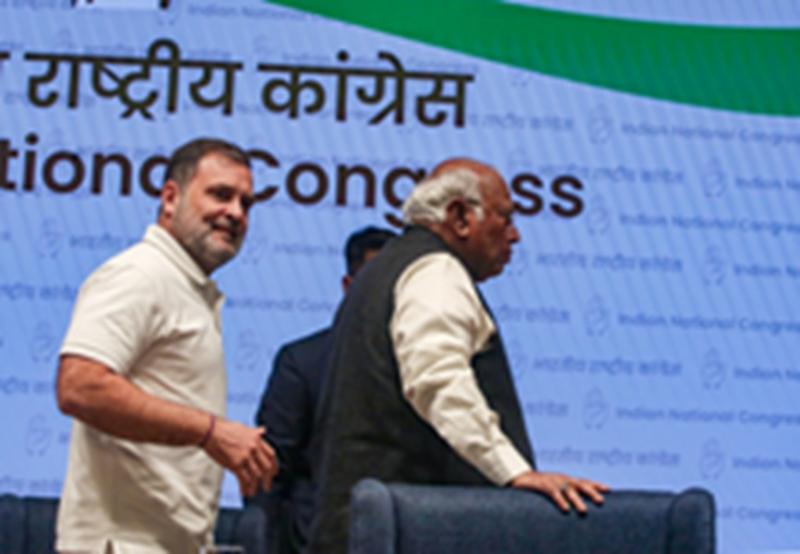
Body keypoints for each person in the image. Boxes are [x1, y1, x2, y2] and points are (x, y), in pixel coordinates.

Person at [308, 159, 610, 554]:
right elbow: (438, 381)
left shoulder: (385, 269)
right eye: (505, 218)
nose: (515, 235)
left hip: (364, 528)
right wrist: (514, 472)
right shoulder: (434, 270)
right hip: (408, 532)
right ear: (460, 217)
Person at [55, 138, 278, 554]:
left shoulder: (185, 286)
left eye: (246, 204)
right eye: (220, 195)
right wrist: (210, 431)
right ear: (171, 198)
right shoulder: (138, 275)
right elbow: (80, 386)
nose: (235, 213)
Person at [249, 226, 396, 554]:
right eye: (375, 284)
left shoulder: (429, 369)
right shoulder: (302, 362)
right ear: (348, 287)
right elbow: (270, 475)